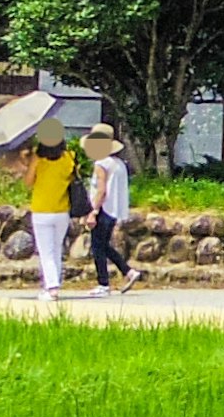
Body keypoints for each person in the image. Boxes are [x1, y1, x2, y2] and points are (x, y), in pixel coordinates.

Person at [21, 122, 83, 301]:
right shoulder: (69, 157)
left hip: (42, 210)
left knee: (45, 251)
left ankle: (52, 287)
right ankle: (53, 284)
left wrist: (28, 160)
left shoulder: (38, 158)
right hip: (62, 210)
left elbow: (29, 181)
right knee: (56, 249)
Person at [83, 124, 138, 297]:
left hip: (103, 209)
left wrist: (93, 211)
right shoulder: (119, 164)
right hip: (114, 210)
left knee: (97, 247)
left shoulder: (101, 164)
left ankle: (103, 284)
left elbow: (101, 190)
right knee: (104, 245)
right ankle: (128, 271)